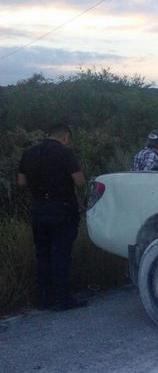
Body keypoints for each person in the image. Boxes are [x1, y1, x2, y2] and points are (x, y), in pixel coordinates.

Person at [17, 123, 86, 310]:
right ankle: (63, 299)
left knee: (43, 254)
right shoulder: (65, 153)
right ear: (65, 137)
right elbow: (79, 181)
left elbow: (21, 182)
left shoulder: (29, 153)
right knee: (61, 254)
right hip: (61, 208)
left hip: (38, 208)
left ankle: (44, 300)